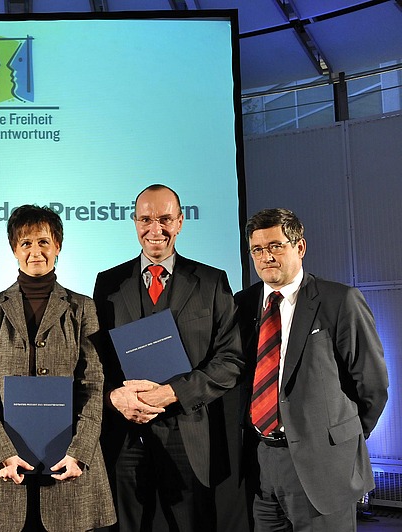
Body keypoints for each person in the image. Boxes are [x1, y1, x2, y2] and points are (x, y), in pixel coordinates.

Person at [93, 184, 244, 532]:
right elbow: (95, 360)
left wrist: (173, 393)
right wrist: (116, 397)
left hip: (189, 436)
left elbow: (231, 359)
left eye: (164, 219)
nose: (155, 229)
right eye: (146, 219)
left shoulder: (211, 281)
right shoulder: (108, 284)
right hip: (126, 437)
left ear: (180, 222)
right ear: (135, 222)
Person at [0, 204, 116, 532]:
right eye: (26, 243)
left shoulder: (82, 307)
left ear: (57, 246)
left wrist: (80, 452)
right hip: (4, 468)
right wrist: (0, 451)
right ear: (14, 249)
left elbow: (93, 383)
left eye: (44, 242)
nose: (35, 251)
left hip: (68, 465)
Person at [235, 208, 388, 532]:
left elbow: (372, 385)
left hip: (325, 467)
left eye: (275, 246)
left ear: (300, 247)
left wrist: (340, 439)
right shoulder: (243, 304)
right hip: (261, 464)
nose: (266, 257)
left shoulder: (340, 300)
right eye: (257, 250)